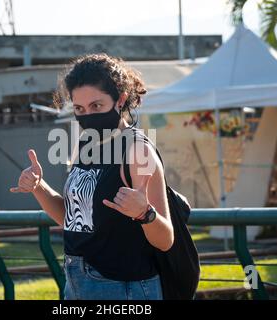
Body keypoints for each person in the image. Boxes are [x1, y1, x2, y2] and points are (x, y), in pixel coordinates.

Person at [10, 53, 173, 300]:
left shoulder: (137, 149)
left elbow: (166, 240)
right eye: (79, 108)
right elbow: (73, 218)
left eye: (96, 106)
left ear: (120, 100)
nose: (87, 116)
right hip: (77, 283)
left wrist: (145, 213)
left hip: (124, 289)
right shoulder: (86, 144)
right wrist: (38, 186)